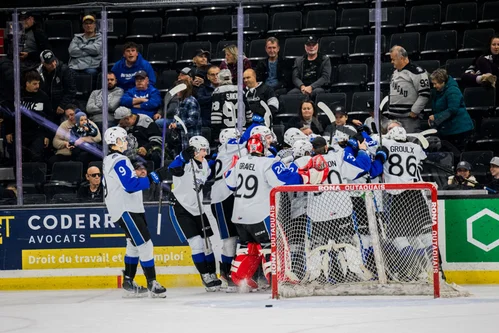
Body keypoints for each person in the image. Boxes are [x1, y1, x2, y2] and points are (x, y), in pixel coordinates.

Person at [224, 133, 312, 290]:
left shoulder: (240, 162)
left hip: (239, 215)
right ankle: (277, 279)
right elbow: (284, 181)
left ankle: (241, 278)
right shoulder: (268, 162)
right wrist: (304, 176)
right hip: (260, 214)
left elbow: (230, 183)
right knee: (270, 245)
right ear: (262, 147)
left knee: (247, 247)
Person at [102, 126, 168, 297]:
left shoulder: (113, 160)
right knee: (146, 244)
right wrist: (153, 178)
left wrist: (139, 174)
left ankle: (128, 281)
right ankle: (152, 282)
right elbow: (130, 186)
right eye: (123, 139)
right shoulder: (119, 160)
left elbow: (126, 181)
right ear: (115, 142)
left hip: (128, 208)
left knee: (133, 245)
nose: (126, 142)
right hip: (126, 209)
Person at [168, 136, 222, 291]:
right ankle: (205, 276)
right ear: (195, 150)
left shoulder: (205, 164)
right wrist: (183, 157)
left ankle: (212, 274)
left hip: (198, 209)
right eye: (203, 150)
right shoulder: (185, 163)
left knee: (208, 245)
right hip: (183, 208)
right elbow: (173, 168)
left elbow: (209, 172)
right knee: (197, 244)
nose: (206, 152)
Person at [380, 125, 431, 281]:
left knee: (398, 237)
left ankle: (410, 271)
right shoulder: (415, 147)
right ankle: (435, 272)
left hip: (398, 195)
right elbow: (423, 156)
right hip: (416, 195)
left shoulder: (386, 144)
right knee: (424, 236)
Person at [209, 129, 245, 291]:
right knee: (230, 239)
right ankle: (225, 275)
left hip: (231, 197)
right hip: (223, 198)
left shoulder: (226, 151)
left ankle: (236, 272)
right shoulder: (228, 149)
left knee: (238, 237)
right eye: (235, 137)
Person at [5, 70, 51, 163]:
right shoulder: (17, 96)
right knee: (18, 158)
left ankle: (35, 177)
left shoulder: (43, 96)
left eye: (38, 83)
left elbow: (49, 117)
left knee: (35, 156)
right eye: (34, 84)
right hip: (19, 132)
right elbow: (9, 113)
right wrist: (8, 131)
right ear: (27, 84)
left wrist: (47, 135)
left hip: (37, 132)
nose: (37, 86)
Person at [429, 69, 474, 152]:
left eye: (436, 83)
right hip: (449, 129)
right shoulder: (439, 91)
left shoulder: (453, 90)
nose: (434, 86)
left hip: (459, 130)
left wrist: (436, 117)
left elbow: (452, 110)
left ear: (443, 82)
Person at [388, 45, 431, 133]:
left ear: (402, 58)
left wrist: (414, 111)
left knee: (410, 143)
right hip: (394, 118)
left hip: (409, 119)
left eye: (393, 59)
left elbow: (424, 94)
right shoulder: (395, 72)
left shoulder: (416, 71)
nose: (391, 62)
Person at [49, 106, 102, 170]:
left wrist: (83, 139)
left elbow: (98, 138)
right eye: (67, 116)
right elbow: (55, 141)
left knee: (85, 157)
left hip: (84, 151)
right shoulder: (64, 125)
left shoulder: (88, 123)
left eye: (72, 114)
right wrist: (65, 143)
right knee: (52, 160)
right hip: (67, 152)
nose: (70, 117)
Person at [211, 69, 252, 142]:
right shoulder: (240, 90)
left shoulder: (217, 92)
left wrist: (216, 134)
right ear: (231, 78)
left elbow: (216, 119)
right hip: (242, 131)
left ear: (219, 79)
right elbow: (249, 115)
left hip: (225, 133)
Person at [37, 50, 77, 122]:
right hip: (46, 106)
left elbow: (71, 91)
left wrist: (62, 105)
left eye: (54, 61)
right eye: (49, 63)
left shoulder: (64, 70)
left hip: (62, 105)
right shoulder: (39, 72)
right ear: (43, 63)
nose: (53, 64)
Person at [288, 36, 331, 101]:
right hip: (302, 87)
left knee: (316, 92)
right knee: (291, 94)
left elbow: (325, 77)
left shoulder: (325, 59)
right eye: (309, 45)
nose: (311, 47)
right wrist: (302, 86)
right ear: (305, 47)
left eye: (313, 45)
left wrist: (311, 87)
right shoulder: (298, 60)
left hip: (318, 87)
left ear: (317, 46)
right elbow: (295, 77)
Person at [462, 35, 499, 104]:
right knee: (464, 76)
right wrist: (472, 72)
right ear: (490, 46)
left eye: (498, 45)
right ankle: (485, 78)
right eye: (494, 44)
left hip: (495, 83)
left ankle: (488, 78)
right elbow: (468, 71)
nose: (496, 47)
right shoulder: (482, 58)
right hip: (481, 80)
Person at [168, 80, 202, 151]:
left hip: (190, 137)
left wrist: (177, 125)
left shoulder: (191, 102)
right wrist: (173, 124)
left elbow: (192, 121)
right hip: (181, 138)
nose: (176, 92)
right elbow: (177, 117)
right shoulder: (180, 101)